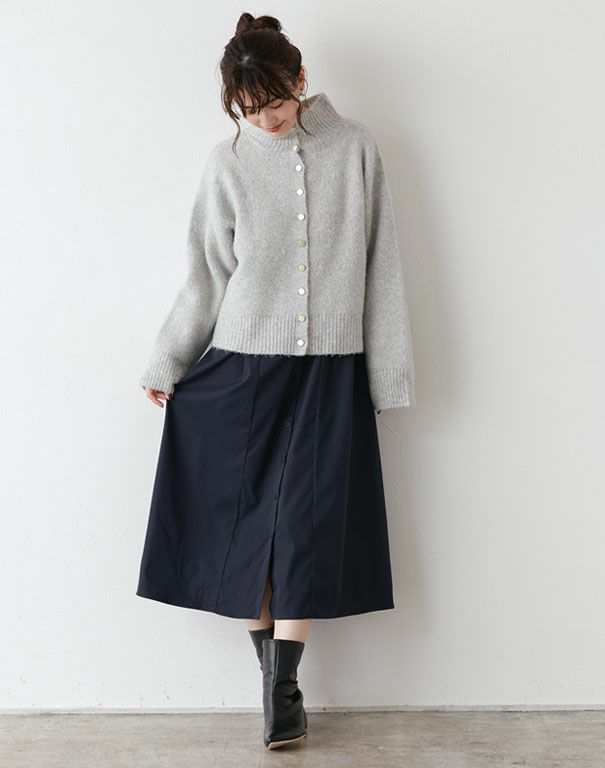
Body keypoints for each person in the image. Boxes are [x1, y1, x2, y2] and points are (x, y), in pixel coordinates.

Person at [136, 12, 416, 750]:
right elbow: (206, 275)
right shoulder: (226, 163)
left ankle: (282, 687)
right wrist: (168, 360)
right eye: (249, 109)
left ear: (300, 80)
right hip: (242, 368)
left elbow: (381, 265)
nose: (264, 121)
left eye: (274, 104)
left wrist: (387, 375)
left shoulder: (355, 148)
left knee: (306, 530)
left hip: (330, 370)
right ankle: (276, 687)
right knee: (239, 530)